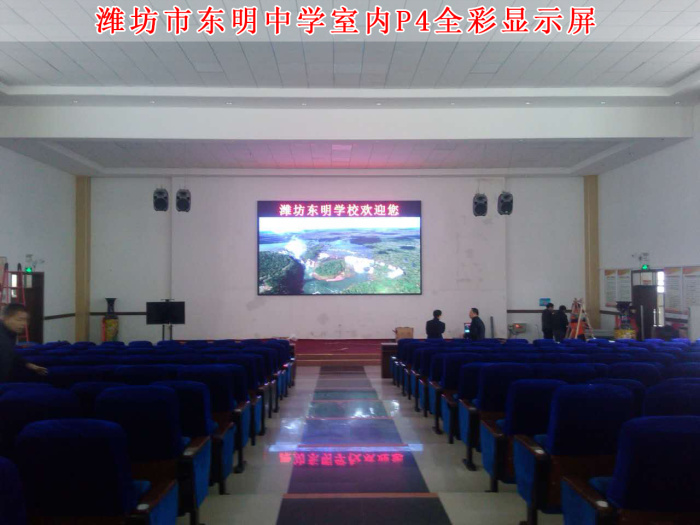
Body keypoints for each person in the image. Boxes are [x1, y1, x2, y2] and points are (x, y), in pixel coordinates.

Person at [0, 303, 48, 382]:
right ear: (5, 318)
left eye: (26, 320)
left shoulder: (10, 331)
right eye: (19, 320)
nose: (24, 324)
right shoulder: (3, 340)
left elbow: (11, 353)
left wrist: (28, 364)